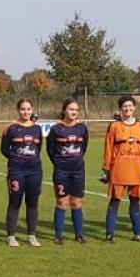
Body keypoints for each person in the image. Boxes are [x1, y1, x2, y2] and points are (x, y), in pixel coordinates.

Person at [102, 95, 140, 242]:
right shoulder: (114, 126)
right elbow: (108, 149)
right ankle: (109, 234)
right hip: (119, 170)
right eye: (124, 106)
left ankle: (138, 233)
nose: (127, 109)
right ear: (120, 108)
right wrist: (106, 169)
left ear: (134, 107)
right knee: (115, 201)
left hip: (137, 170)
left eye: (130, 106)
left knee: (135, 202)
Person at [0, 98, 43, 247]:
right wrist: (16, 159)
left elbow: (39, 148)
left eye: (28, 109)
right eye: (23, 109)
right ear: (18, 110)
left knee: (32, 203)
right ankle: (11, 236)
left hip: (35, 171)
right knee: (15, 203)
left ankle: (32, 235)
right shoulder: (11, 128)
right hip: (16, 171)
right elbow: (4, 149)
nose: (26, 112)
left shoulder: (37, 129)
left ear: (32, 110)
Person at [46, 98, 88, 245]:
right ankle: (58, 235)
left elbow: (84, 148)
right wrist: (59, 164)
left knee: (76, 203)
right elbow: (50, 150)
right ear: (64, 110)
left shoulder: (82, 128)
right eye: (71, 109)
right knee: (62, 202)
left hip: (78, 171)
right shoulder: (56, 129)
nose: (73, 112)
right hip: (61, 172)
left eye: (76, 110)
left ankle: (79, 235)